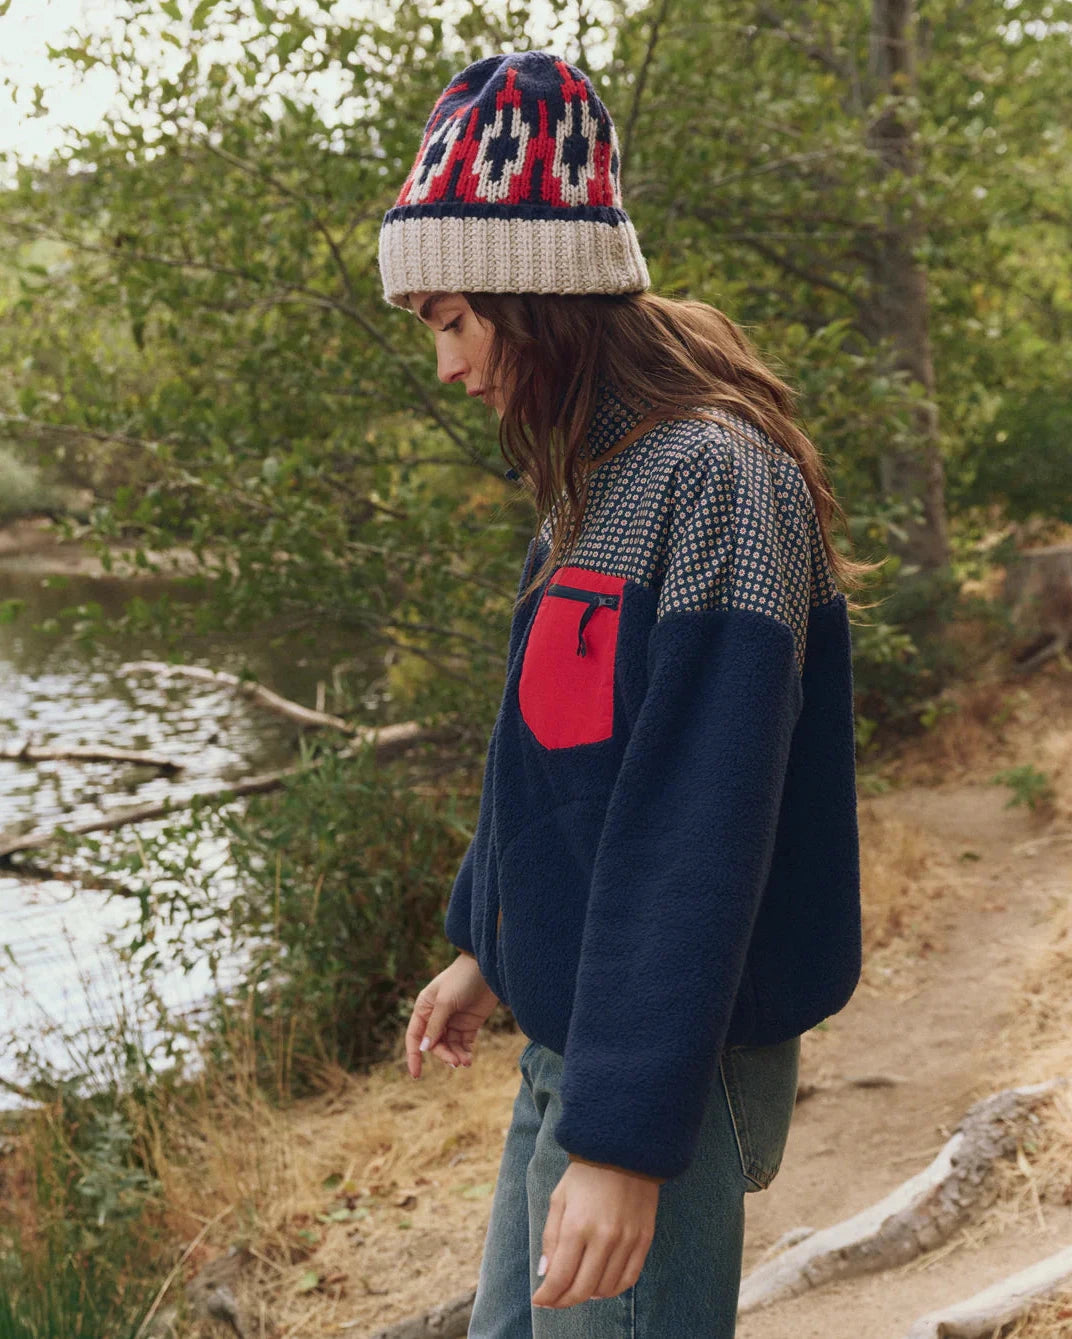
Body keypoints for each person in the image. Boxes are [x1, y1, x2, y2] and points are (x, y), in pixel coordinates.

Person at [377, 48, 870, 1339]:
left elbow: (694, 835)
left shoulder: (716, 482)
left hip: (666, 1066)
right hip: (577, 1042)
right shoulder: (593, 489)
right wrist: (490, 943)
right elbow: (559, 770)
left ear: (536, 297)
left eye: (453, 323)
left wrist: (626, 1141)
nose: (447, 367)